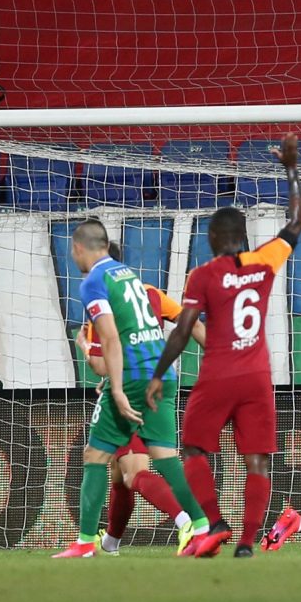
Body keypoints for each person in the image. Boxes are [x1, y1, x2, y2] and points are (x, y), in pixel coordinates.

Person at [146, 133, 301, 558]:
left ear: (215, 236)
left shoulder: (203, 275)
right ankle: (250, 543)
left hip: (217, 374)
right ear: (243, 237)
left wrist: (159, 374)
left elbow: (182, 329)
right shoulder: (264, 261)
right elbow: (296, 223)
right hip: (257, 376)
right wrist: (290, 168)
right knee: (256, 460)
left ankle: (216, 523)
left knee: (195, 449)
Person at [53, 220, 215, 558]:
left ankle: (86, 543)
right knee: (162, 459)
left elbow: (109, 343)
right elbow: (191, 322)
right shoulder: (136, 282)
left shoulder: (94, 283)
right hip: (163, 375)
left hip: (132, 377)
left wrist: (112, 382)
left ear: (79, 248)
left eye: (72, 250)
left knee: (100, 457)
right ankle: (201, 526)